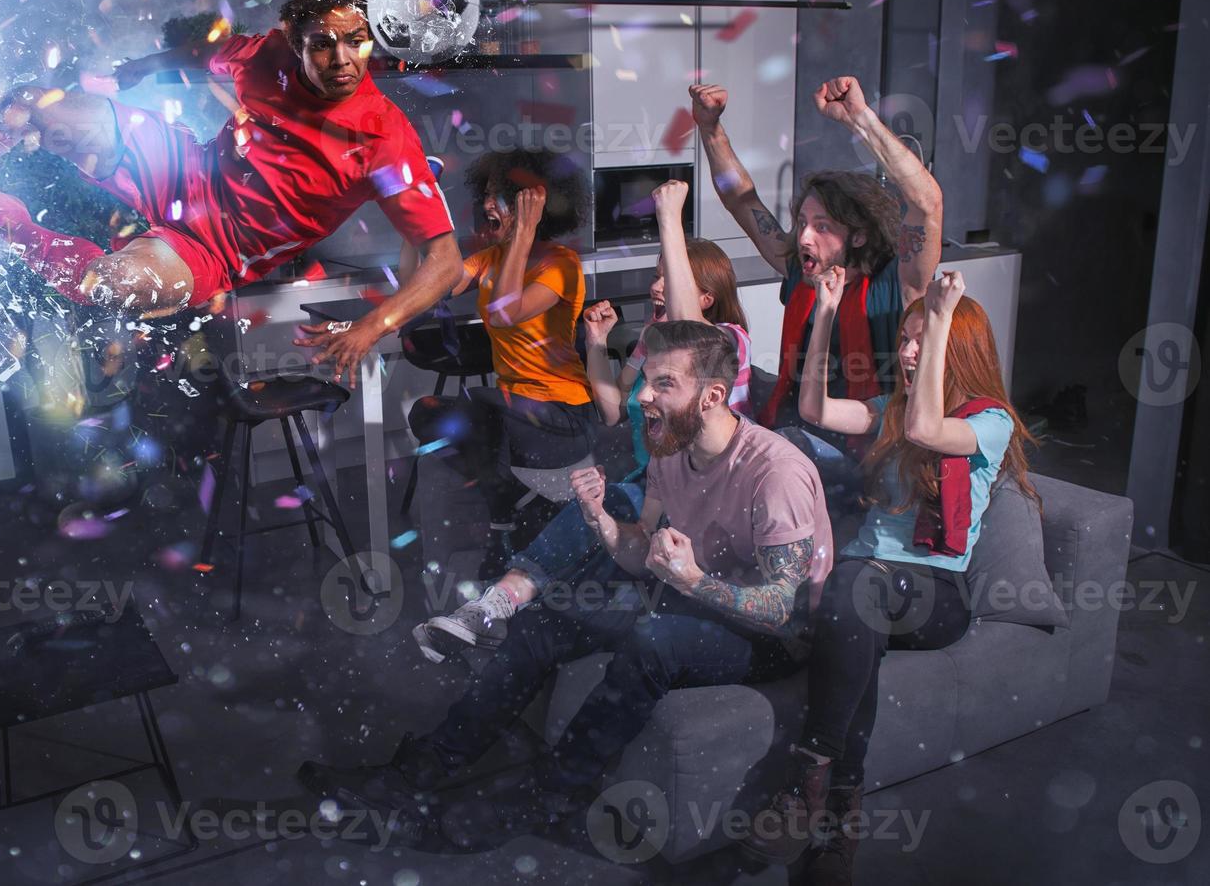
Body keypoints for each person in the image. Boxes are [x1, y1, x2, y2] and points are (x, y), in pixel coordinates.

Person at [299, 321, 835, 849]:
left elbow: (781, 612)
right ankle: (416, 772)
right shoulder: (671, 447)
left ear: (713, 395)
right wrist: (600, 517)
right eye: (647, 378)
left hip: (773, 637)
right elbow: (635, 553)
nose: (644, 395)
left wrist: (692, 580)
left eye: (665, 384)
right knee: (543, 623)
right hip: (695, 594)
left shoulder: (774, 474)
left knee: (655, 641)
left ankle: (553, 795)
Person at [0, 0, 461, 386]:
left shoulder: (385, 138)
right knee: (43, 109)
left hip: (212, 254)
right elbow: (203, 53)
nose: (342, 59)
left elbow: (445, 262)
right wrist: (146, 66)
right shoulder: (266, 56)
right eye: (323, 44)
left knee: (109, 282)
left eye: (357, 41)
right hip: (180, 171)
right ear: (296, 42)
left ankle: (0, 213)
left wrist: (370, 328)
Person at [743, 269, 1035, 885]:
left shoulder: (990, 423)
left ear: (956, 348)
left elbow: (931, 431)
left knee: (855, 588)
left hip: (936, 594)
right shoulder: (891, 410)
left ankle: (804, 781)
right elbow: (814, 408)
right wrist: (824, 313)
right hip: (865, 590)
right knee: (854, 617)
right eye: (904, 340)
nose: (905, 352)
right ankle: (838, 819)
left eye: (920, 342)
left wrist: (942, 314)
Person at [411, 179, 756, 662]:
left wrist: (669, 220)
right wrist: (595, 344)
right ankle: (489, 610)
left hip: (709, 490)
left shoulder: (727, 340)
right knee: (581, 519)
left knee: (587, 530)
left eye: (666, 276)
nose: (655, 284)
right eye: (656, 274)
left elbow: (690, 345)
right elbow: (614, 409)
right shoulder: (655, 337)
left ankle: (501, 612)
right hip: (652, 481)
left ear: (706, 297)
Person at [691, 76, 942, 502]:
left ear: (858, 236)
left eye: (822, 227)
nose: (804, 237)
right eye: (803, 223)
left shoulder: (897, 283)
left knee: (777, 449)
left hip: (862, 452)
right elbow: (742, 199)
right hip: (793, 434)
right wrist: (710, 128)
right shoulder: (801, 270)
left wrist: (859, 119)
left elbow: (928, 204)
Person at [400, 148, 598, 579]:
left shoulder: (561, 264)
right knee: (427, 413)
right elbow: (420, 287)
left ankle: (503, 520)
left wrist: (525, 232)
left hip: (562, 417)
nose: (488, 205)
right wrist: (414, 218)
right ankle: (512, 503)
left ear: (535, 204)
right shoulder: (490, 259)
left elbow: (504, 312)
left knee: (484, 404)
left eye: (501, 196)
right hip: (511, 413)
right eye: (487, 195)